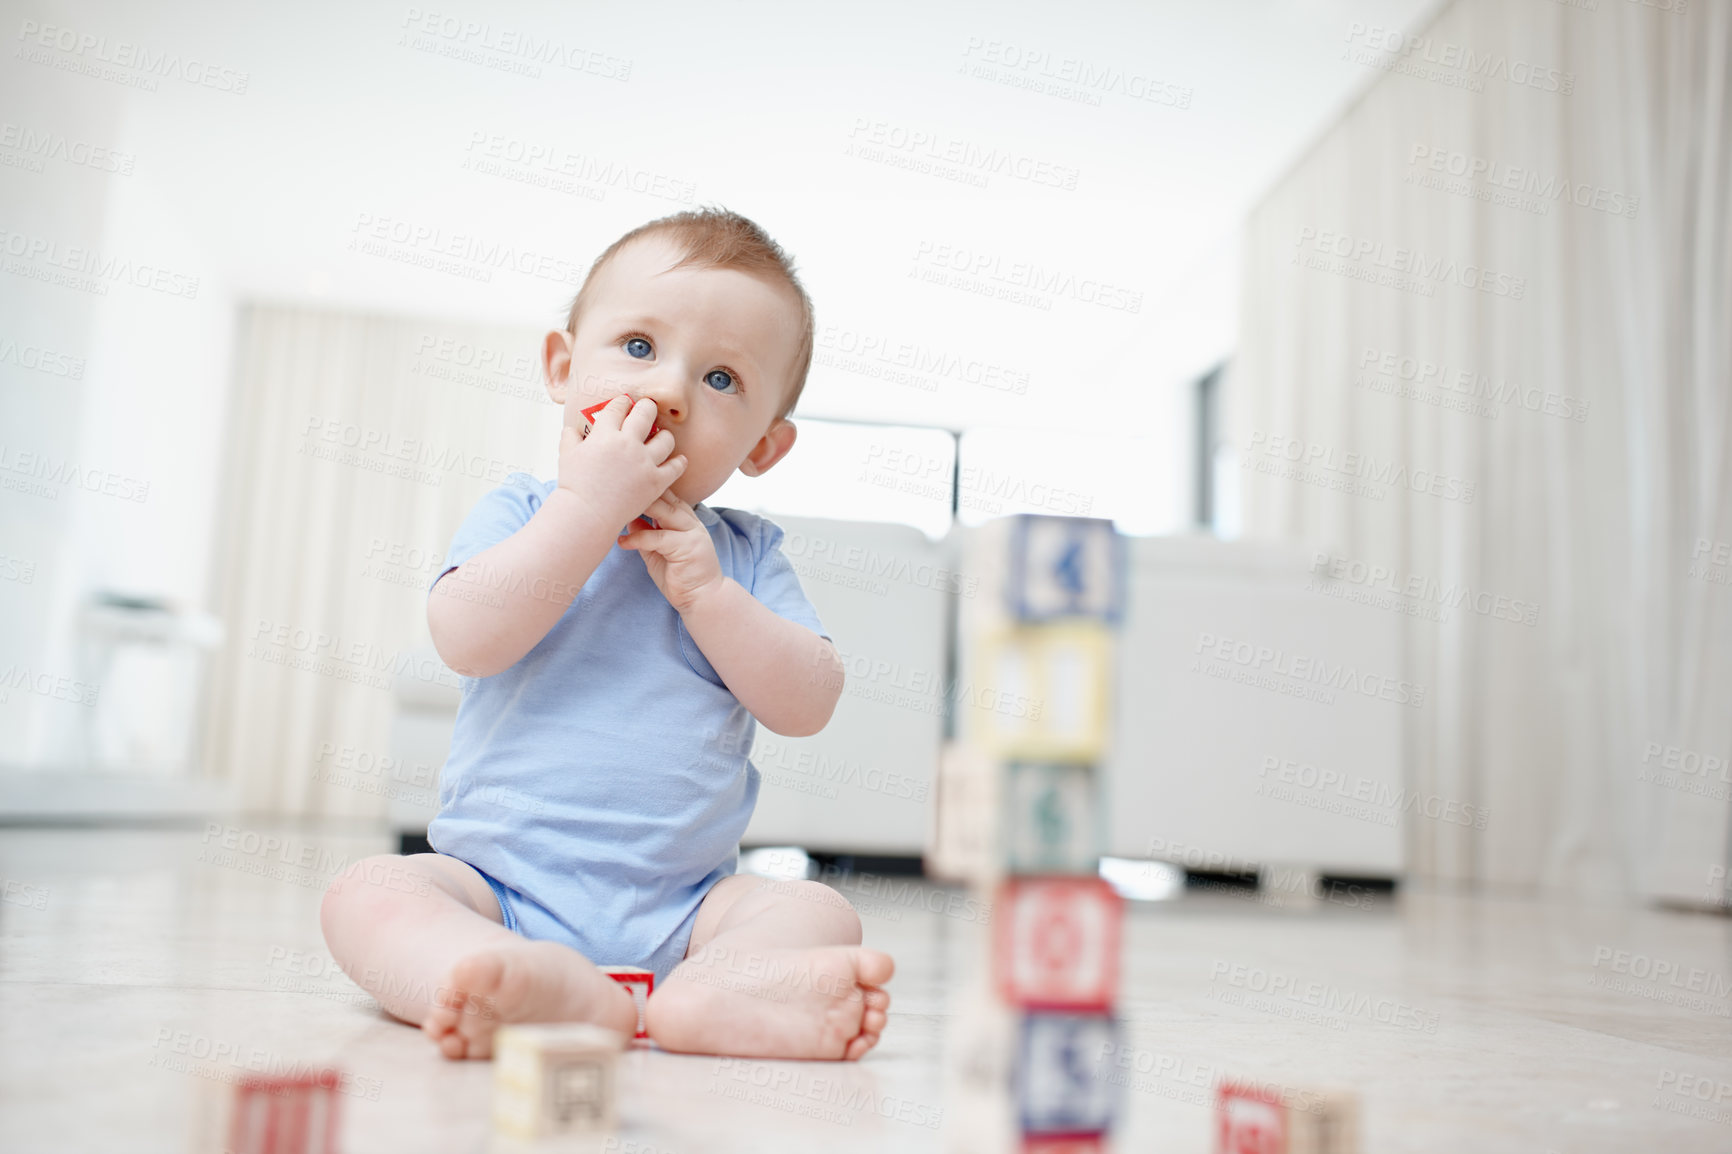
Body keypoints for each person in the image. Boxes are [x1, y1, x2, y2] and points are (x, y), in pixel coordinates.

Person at [320, 207, 893, 1061]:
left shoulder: (742, 556)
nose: (667, 391)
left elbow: (808, 701)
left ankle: (716, 993)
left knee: (817, 910)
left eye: (722, 380)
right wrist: (586, 510)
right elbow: (466, 639)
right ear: (562, 366)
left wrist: (708, 596)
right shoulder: (523, 512)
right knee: (368, 894)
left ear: (765, 447)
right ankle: (507, 975)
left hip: (691, 908)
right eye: (637, 347)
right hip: (498, 891)